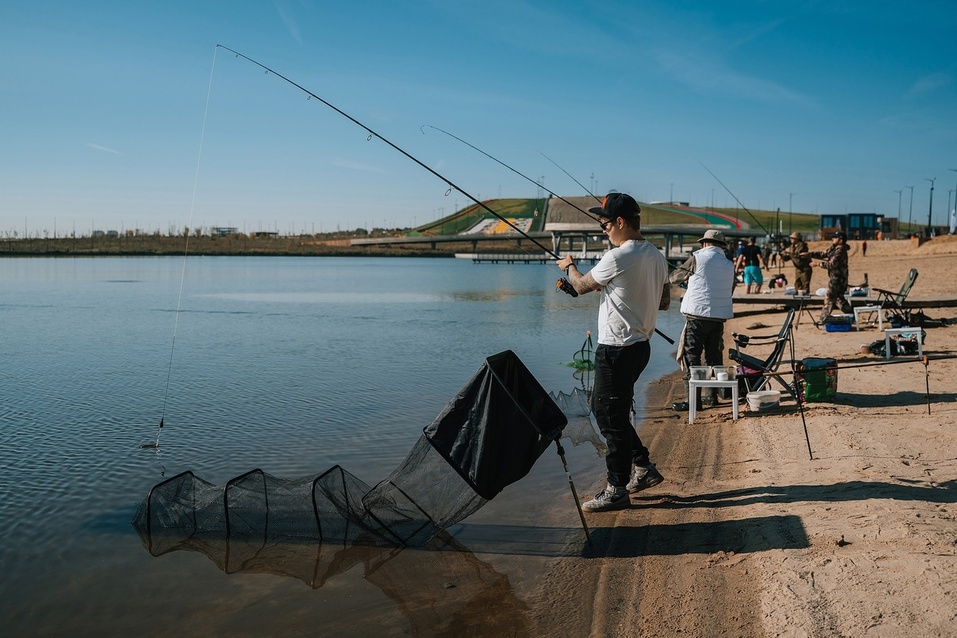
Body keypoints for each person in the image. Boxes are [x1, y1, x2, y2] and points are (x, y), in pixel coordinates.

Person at [556, 192, 670, 512]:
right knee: (609, 411)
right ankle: (643, 467)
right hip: (640, 348)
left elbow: (581, 286)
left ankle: (616, 488)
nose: (603, 229)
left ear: (621, 222)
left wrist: (570, 267)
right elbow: (663, 302)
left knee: (609, 418)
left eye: (605, 223)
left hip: (616, 350)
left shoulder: (617, 257)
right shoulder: (657, 257)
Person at [668, 229, 735, 412]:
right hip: (718, 318)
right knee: (713, 358)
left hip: (697, 316)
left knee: (692, 358)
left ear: (705, 243)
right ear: (721, 245)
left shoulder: (698, 258)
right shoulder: (729, 264)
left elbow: (674, 278)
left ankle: (693, 402)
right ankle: (711, 397)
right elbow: (730, 289)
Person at [802, 231, 851, 323]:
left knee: (829, 298)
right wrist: (809, 254)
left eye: (835, 238)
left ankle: (823, 319)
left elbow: (832, 264)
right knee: (839, 299)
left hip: (838, 279)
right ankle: (852, 314)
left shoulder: (840, 250)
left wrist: (817, 264)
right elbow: (823, 254)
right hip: (837, 279)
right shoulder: (834, 249)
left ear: (840, 240)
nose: (833, 239)